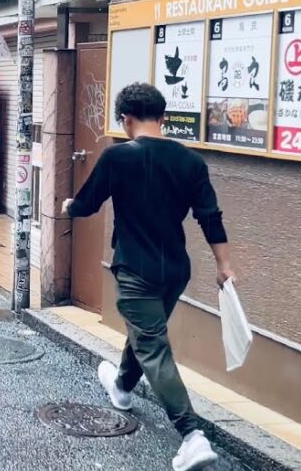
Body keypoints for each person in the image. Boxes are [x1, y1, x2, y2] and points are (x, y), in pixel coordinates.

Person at [62, 82, 235, 471]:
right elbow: (210, 217)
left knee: (153, 346)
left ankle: (192, 436)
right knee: (147, 334)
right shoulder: (191, 161)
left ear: (125, 119)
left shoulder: (118, 156)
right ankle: (122, 387)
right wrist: (224, 265)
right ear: (163, 117)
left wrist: (69, 206)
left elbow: (87, 204)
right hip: (175, 269)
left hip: (136, 269)